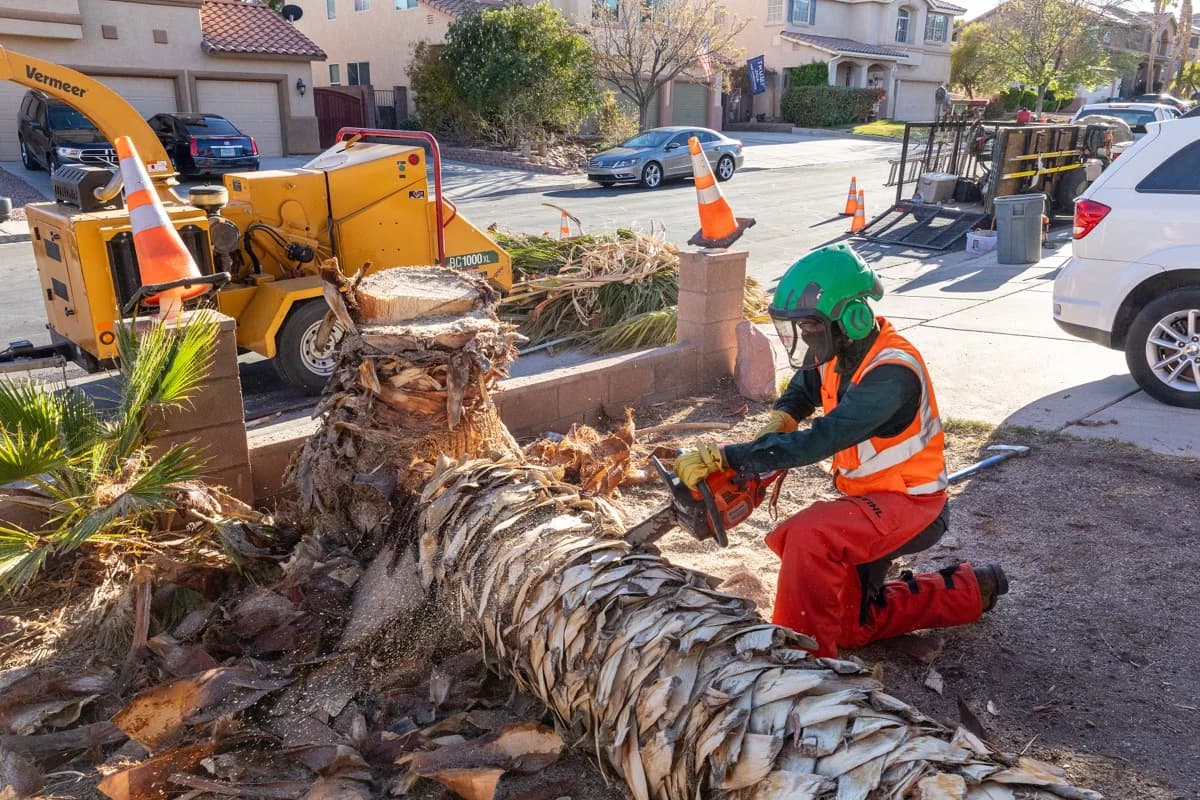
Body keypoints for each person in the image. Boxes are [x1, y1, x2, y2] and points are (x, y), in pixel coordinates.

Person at [673, 244, 1007, 658]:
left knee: (809, 536)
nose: (807, 338)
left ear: (853, 316)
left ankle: (801, 657)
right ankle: (971, 590)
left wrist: (733, 457)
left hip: (914, 507)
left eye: (811, 327)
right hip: (870, 501)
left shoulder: (891, 374)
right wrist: (783, 418)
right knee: (852, 624)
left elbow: (822, 440)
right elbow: (803, 387)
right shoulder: (838, 351)